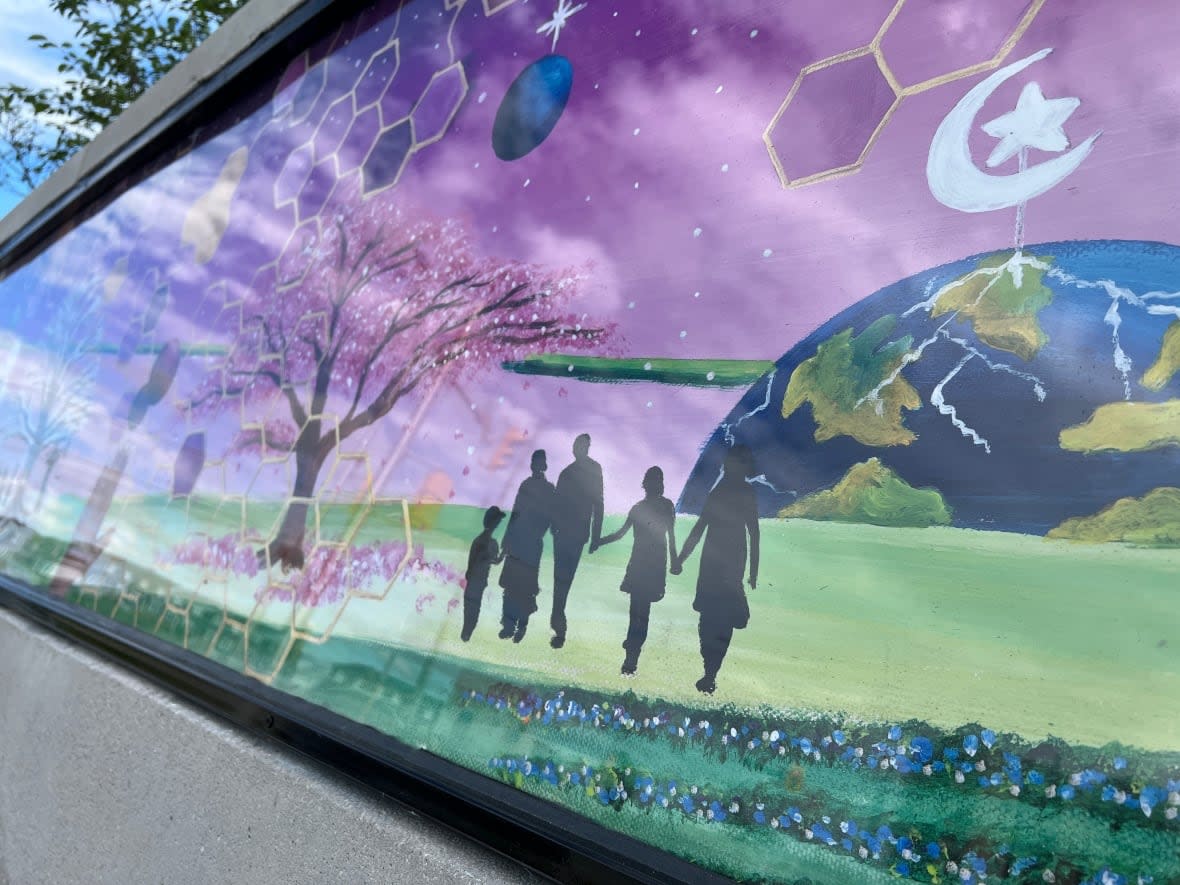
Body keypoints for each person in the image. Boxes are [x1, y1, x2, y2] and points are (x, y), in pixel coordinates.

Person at [673, 445, 760, 695]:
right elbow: (702, 527)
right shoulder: (730, 492)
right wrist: (681, 558)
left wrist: (753, 571)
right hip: (719, 563)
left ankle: (710, 672)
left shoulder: (733, 492)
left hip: (723, 564)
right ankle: (710, 671)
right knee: (715, 619)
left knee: (715, 618)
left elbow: (752, 531)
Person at [596, 466, 678, 676]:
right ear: (660, 484)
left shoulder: (638, 508)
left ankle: (631, 655)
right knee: (643, 615)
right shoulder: (667, 506)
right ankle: (632, 656)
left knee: (637, 613)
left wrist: (599, 541)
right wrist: (675, 562)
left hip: (640, 564)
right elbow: (671, 536)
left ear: (645, 484)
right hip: (655, 566)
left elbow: (620, 534)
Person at [549, 433, 604, 648]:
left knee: (564, 577)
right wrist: (554, 526)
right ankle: (557, 618)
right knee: (561, 576)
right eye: (577, 445)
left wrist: (596, 534)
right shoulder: (567, 473)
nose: (578, 449)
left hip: (575, 533)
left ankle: (557, 616)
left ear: (585, 448)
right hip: (566, 532)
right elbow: (557, 502)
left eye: (581, 446)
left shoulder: (591, 470)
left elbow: (598, 502)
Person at [498, 450, 555, 642]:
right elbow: (515, 513)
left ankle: (520, 626)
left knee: (524, 587)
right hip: (519, 541)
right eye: (534, 462)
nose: (536, 466)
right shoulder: (526, 485)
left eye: (538, 463)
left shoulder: (549, 489)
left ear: (542, 465)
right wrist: (507, 540)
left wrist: (535, 532)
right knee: (511, 586)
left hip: (530, 543)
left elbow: (549, 518)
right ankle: (508, 625)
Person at [460, 506, 505, 642]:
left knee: (471, 612)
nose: (498, 524)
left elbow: (483, 561)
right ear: (494, 523)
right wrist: (503, 553)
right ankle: (466, 636)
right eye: (497, 521)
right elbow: (493, 560)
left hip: (475, 582)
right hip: (476, 582)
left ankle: (466, 635)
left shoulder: (481, 541)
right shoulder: (488, 542)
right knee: (472, 612)